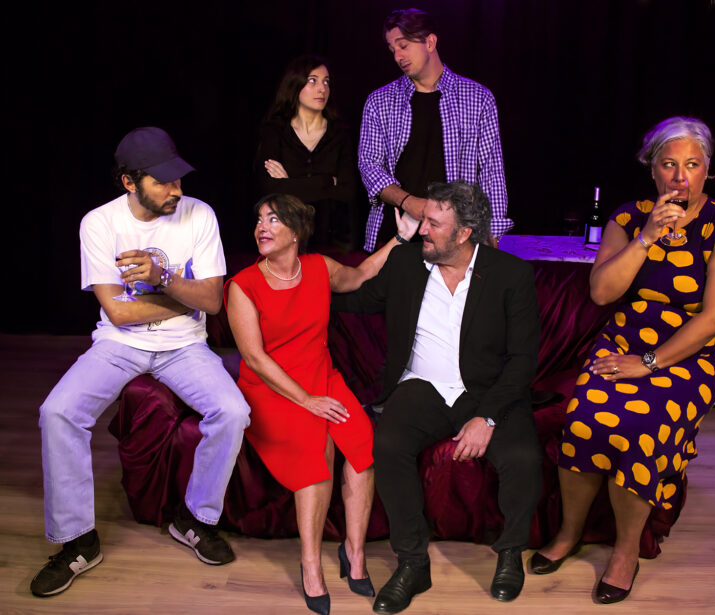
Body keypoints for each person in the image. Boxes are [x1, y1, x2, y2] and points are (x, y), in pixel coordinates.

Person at [531, 117, 715, 603]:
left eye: (692, 165)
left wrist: (648, 362)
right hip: (621, 343)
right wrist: (646, 237)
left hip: (688, 356)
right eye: (669, 165)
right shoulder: (629, 218)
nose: (680, 177)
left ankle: (626, 550)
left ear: (708, 170)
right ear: (652, 169)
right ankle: (569, 533)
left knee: (641, 426)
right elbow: (601, 292)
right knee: (584, 418)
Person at [30, 127, 251, 597]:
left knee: (233, 412)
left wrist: (164, 277)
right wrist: (187, 298)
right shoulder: (99, 223)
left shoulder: (200, 214)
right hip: (119, 344)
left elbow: (213, 301)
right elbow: (120, 313)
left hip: (185, 346)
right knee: (58, 412)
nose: (176, 190)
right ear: (129, 182)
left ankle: (193, 519)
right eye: (163, 182)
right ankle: (78, 540)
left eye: (178, 179)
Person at [332, 181, 541, 613]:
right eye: (423, 219)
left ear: (464, 233)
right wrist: (295, 283)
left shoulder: (510, 274)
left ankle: (509, 553)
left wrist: (487, 418)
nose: (421, 229)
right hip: (421, 386)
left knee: (522, 455)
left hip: (486, 390)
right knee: (388, 443)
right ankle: (412, 563)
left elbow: (523, 359)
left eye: (432, 223)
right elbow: (357, 300)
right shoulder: (406, 262)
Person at [225, 193, 418, 615]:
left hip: (321, 375)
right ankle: (310, 564)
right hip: (271, 388)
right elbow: (254, 358)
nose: (262, 227)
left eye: (273, 220)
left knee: (363, 443)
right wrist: (307, 400)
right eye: (259, 220)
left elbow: (361, 274)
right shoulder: (243, 285)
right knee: (316, 451)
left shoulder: (319, 268)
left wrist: (400, 239)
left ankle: (354, 552)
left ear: (296, 232)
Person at [358, 8, 513, 252]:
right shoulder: (379, 101)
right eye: (392, 49)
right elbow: (369, 166)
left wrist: (492, 235)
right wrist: (408, 202)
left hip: (456, 240)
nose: (398, 56)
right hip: (395, 237)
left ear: (430, 42)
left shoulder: (478, 98)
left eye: (403, 45)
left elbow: (491, 173)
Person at [256, 55, 357, 249]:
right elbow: (269, 189)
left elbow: (348, 192)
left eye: (326, 82)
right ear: (295, 84)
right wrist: (327, 181)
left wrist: (289, 184)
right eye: (313, 81)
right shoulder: (275, 131)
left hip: (331, 241)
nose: (322, 89)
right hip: (285, 242)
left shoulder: (340, 134)